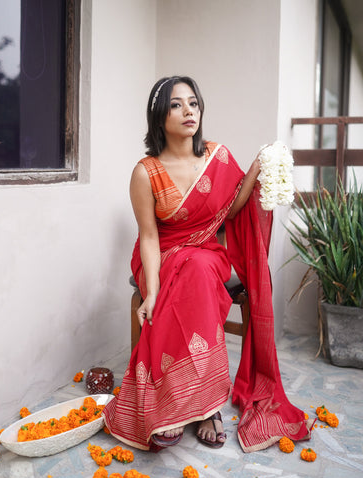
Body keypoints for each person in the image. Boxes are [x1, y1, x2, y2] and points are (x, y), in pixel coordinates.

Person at [103, 76, 314, 453]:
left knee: (200, 266)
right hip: (161, 257)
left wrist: (254, 170)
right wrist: (150, 291)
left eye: (194, 103)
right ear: (159, 115)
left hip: (205, 255)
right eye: (176, 104)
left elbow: (228, 210)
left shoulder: (217, 157)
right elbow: (149, 237)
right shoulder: (145, 172)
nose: (188, 111)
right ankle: (180, 405)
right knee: (192, 269)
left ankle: (205, 404)